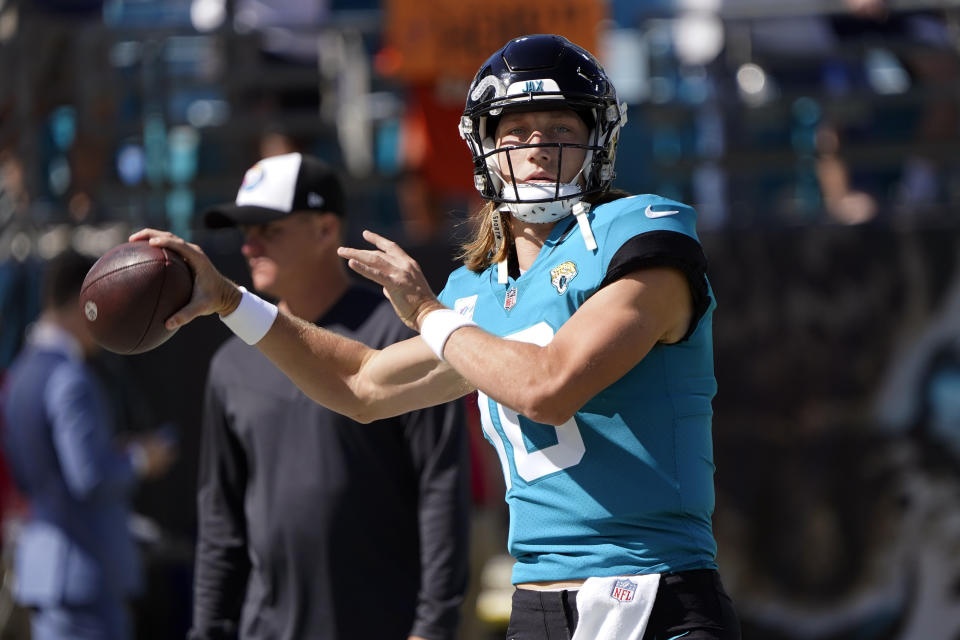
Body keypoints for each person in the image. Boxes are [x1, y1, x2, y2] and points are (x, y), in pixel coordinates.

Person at [134, 34, 741, 640]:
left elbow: (550, 387)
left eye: (559, 128)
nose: (538, 149)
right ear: (484, 148)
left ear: (597, 139)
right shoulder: (473, 289)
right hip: (538, 605)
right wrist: (229, 300)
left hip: (655, 590)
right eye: (518, 131)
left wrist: (427, 311)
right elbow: (361, 385)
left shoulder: (643, 234)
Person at [187, 152, 471, 640]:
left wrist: (434, 626)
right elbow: (221, 521)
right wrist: (208, 629)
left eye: (268, 230)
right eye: (244, 232)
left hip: (387, 625)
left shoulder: (398, 337)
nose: (249, 247)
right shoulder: (229, 364)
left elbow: (442, 487)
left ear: (325, 230)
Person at [1, 248, 176, 640]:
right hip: (83, 567)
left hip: (49, 565)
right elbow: (90, 477)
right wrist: (141, 459)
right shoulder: (70, 377)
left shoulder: (21, 370)